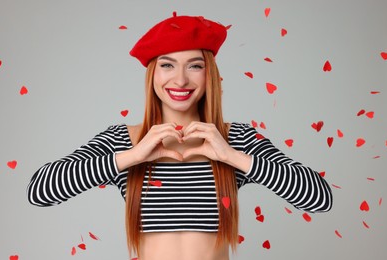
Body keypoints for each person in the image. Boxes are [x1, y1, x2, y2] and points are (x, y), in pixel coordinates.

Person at [27, 12, 333, 260]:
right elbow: (40, 191)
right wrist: (133, 157)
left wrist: (231, 156)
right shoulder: (124, 140)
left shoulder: (235, 138)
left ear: (208, 74)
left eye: (195, 65)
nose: (181, 79)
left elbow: (320, 198)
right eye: (167, 65)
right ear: (153, 75)